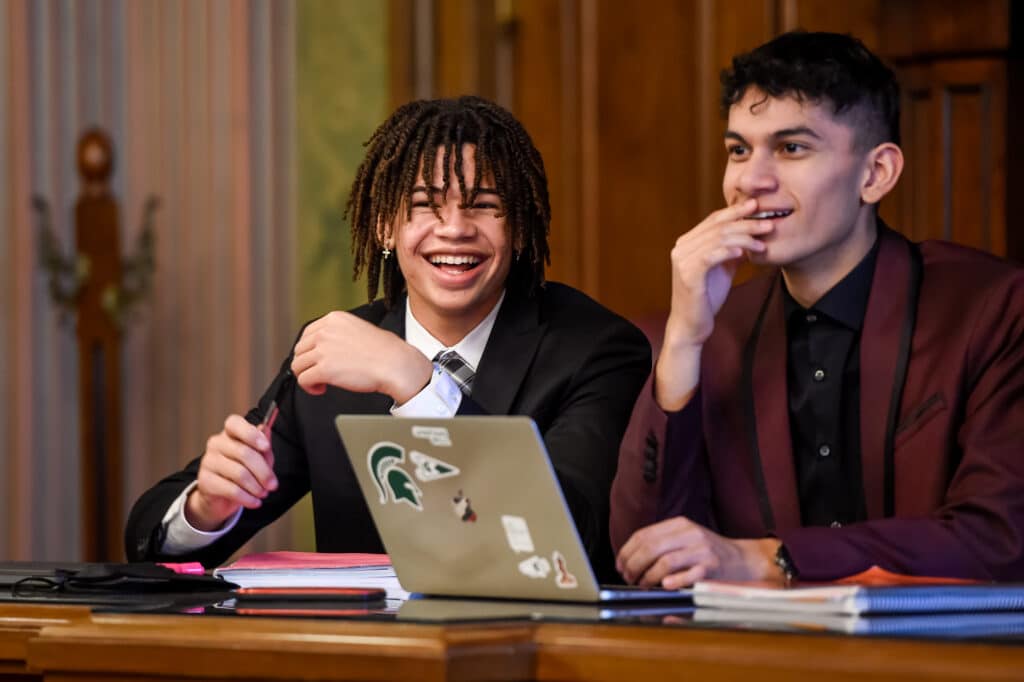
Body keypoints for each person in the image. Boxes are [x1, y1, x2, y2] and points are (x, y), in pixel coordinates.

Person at [126, 96, 651, 580]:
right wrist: (206, 508)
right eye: (425, 204)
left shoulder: (596, 349)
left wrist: (419, 387)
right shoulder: (331, 353)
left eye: (484, 205)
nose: (454, 228)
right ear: (383, 225)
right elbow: (153, 544)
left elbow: (567, 542)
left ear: (518, 227)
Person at [610, 31, 1024, 587]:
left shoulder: (992, 308)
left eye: (791, 148)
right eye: (739, 149)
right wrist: (684, 340)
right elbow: (644, 558)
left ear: (876, 174)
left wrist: (770, 559)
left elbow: (998, 539)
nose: (750, 182)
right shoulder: (718, 329)